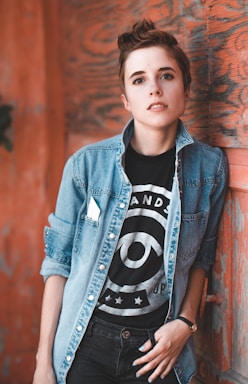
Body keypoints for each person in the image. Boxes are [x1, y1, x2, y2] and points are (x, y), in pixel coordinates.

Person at [33, 19, 228, 384]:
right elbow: (57, 265)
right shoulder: (85, 166)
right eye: (139, 80)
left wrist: (184, 324)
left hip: (156, 349)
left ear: (185, 89)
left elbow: (203, 258)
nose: (154, 89)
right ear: (126, 99)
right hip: (87, 342)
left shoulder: (209, 168)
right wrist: (43, 363)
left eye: (166, 76)